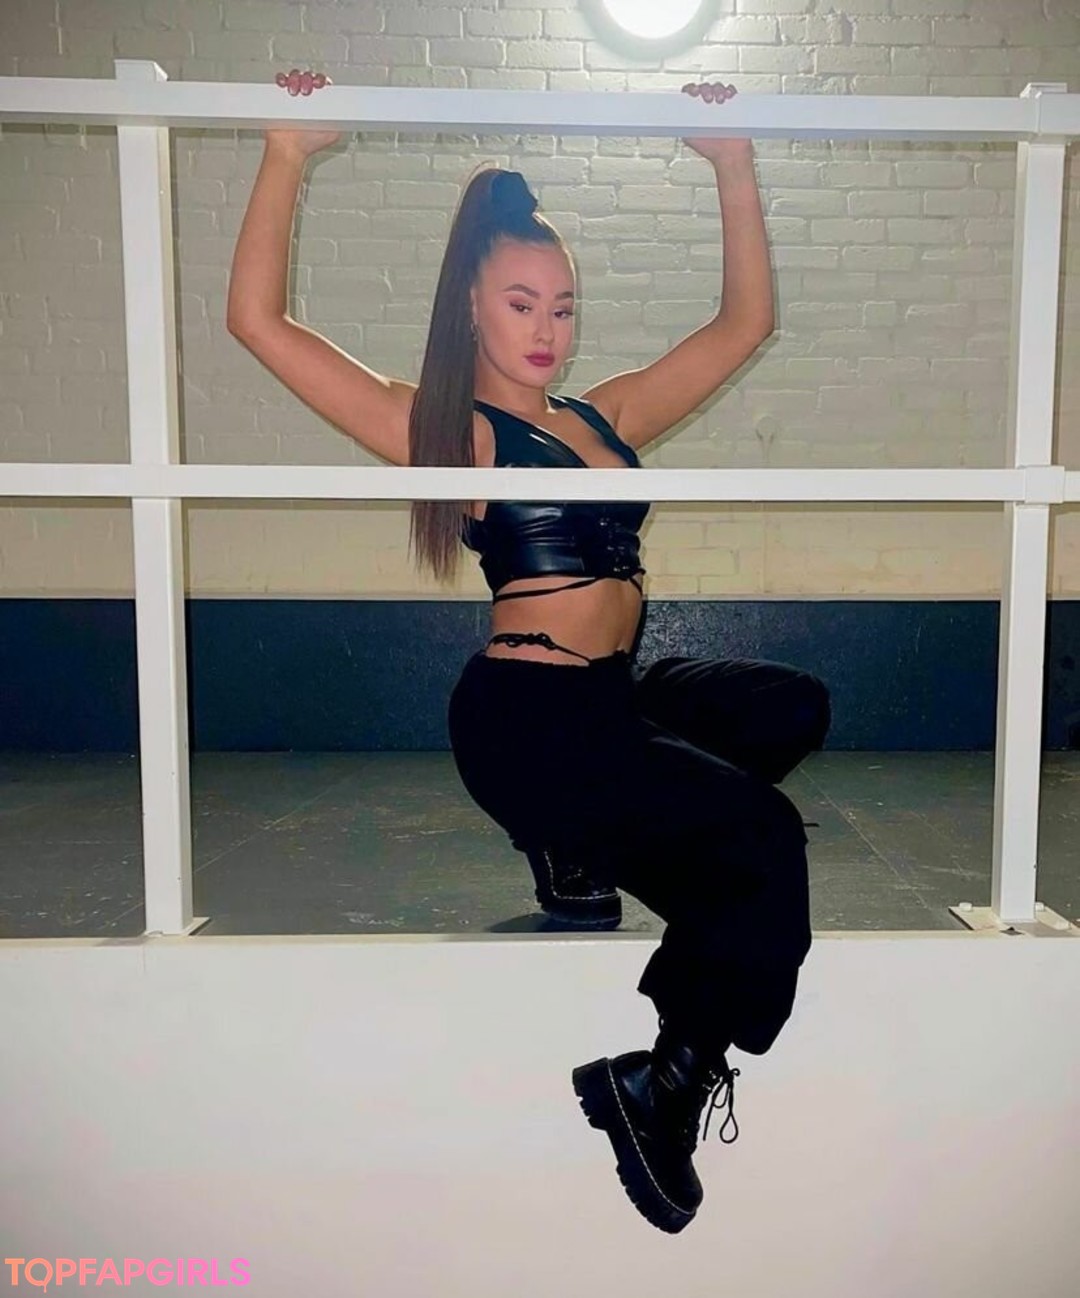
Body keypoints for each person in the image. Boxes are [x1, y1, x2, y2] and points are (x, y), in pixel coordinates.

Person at [228, 68, 831, 1235]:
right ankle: (661, 1081)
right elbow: (260, 324)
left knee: (787, 706)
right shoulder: (450, 430)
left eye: (562, 306)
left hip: (609, 698)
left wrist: (732, 163)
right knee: (759, 836)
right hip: (526, 719)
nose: (547, 330)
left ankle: (580, 841)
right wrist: (286, 154)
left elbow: (742, 326)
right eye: (520, 304)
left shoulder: (600, 417)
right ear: (471, 307)